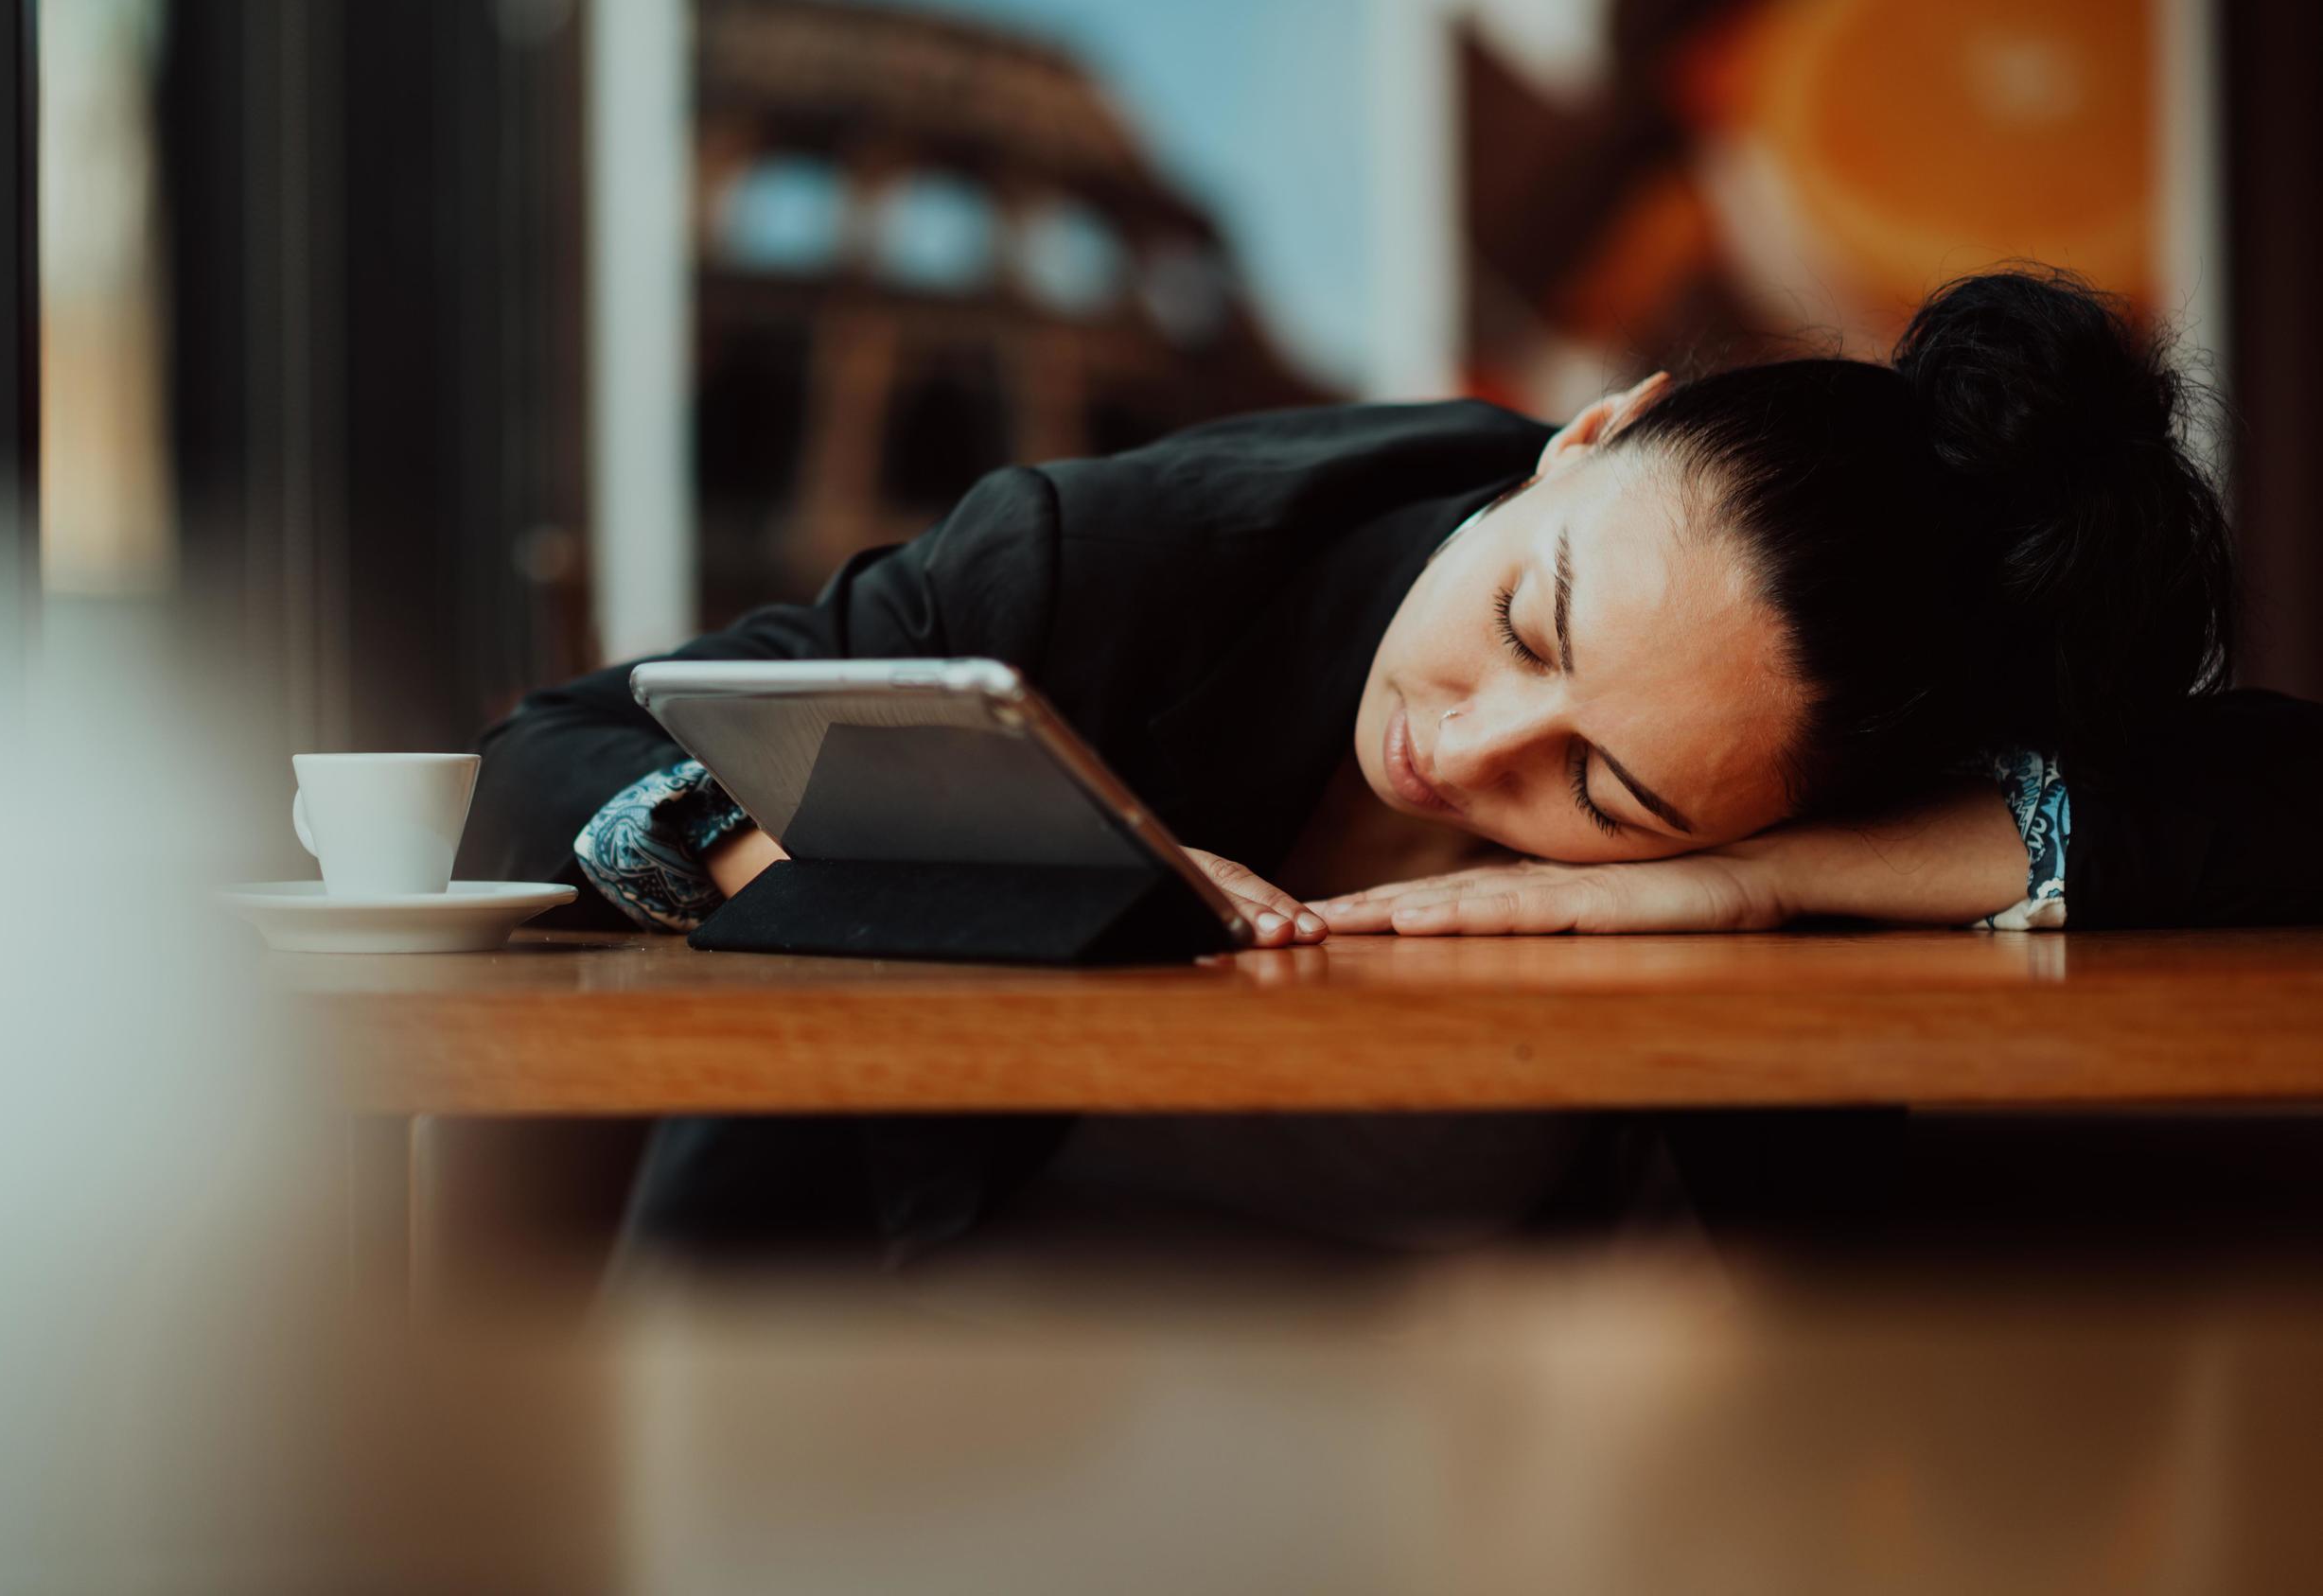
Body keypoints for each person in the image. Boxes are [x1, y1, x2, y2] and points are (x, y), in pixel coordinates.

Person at [462, 270, 2323, 1256]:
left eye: (1610, 793)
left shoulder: (1840, 741)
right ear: (1593, 433)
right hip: (937, 1359)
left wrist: (1767, 880)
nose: (1460, 747)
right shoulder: (1134, 559)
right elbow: (551, 750)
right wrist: (869, 872)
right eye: (1529, 619)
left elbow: (2283, 791)